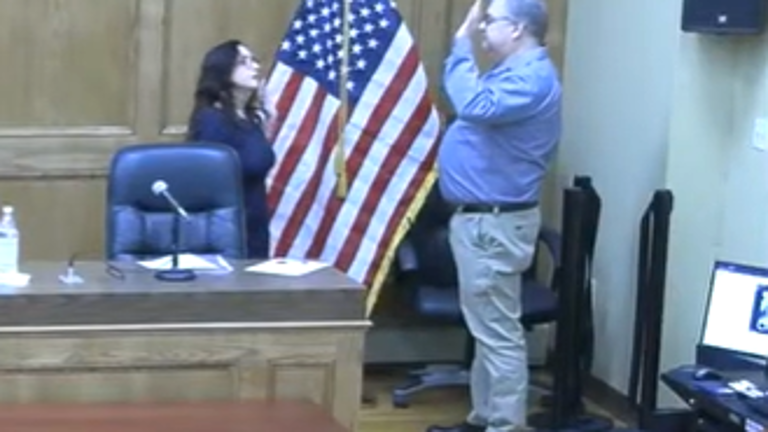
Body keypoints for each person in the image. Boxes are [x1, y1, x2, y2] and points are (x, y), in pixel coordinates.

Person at [430, 0, 562, 431]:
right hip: (483, 221)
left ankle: (505, 425)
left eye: (491, 20)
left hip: (494, 224)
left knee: (499, 336)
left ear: (519, 29)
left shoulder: (532, 77)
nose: (482, 27)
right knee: (488, 330)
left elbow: (476, 106)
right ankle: (483, 418)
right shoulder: (512, 72)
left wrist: (459, 45)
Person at [186, 39, 276, 259]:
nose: (255, 67)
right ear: (223, 71)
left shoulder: (249, 118)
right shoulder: (212, 121)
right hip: (226, 233)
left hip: (255, 226)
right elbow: (208, 182)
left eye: (254, 60)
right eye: (243, 62)